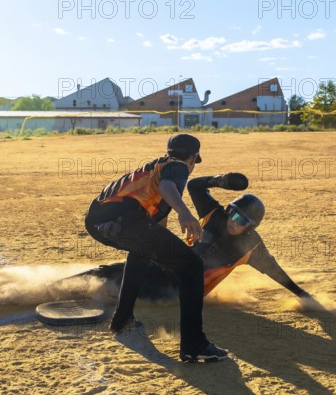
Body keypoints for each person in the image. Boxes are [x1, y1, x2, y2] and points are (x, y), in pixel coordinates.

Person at [84, 133, 228, 362]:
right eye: (194, 161)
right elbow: (167, 187)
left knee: (142, 253)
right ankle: (194, 345)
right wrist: (185, 213)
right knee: (192, 266)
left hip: (101, 221)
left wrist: (166, 250)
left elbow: (154, 223)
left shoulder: (155, 167)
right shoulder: (177, 167)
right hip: (123, 221)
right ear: (193, 158)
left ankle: (122, 320)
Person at [79, 172, 311, 304]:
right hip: (164, 265)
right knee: (108, 271)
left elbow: (278, 274)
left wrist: (305, 298)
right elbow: (194, 186)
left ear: (250, 228)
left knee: (120, 285)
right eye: (234, 213)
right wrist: (219, 180)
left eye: (242, 221)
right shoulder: (215, 215)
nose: (233, 221)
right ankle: (50, 289)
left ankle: (78, 294)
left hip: (179, 290)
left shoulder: (250, 246)